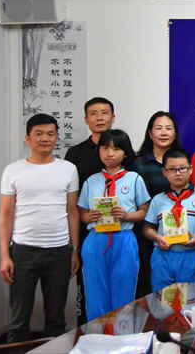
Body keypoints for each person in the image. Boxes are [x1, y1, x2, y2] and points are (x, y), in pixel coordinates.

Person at [0, 113, 80, 342]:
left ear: (56, 137)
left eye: (50, 134)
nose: (45, 138)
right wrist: (5, 255)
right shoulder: (13, 170)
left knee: (56, 318)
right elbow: (6, 214)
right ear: (28, 138)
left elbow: (72, 211)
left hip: (59, 251)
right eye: (39, 134)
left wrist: (74, 250)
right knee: (18, 319)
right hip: (23, 250)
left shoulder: (68, 169)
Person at [77, 129, 150, 320]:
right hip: (96, 239)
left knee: (124, 288)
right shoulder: (91, 181)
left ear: (125, 153)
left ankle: (122, 333)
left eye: (116, 149)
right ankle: (97, 332)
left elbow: (144, 211)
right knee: (94, 290)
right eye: (105, 148)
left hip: (124, 238)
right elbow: (82, 213)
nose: (109, 153)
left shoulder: (134, 179)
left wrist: (127, 215)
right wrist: (89, 216)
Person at [64, 96, 114, 323]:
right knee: (89, 287)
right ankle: (87, 334)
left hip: (120, 231)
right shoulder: (75, 154)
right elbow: (70, 199)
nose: (99, 117)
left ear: (113, 117)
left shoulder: (123, 149)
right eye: (94, 113)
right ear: (86, 119)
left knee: (120, 285)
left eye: (104, 112)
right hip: (87, 230)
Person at [132, 111, 184, 297]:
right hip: (146, 231)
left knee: (180, 288)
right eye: (158, 128)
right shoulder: (137, 163)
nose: (163, 132)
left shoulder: (182, 161)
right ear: (150, 133)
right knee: (148, 284)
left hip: (179, 231)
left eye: (168, 128)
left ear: (175, 133)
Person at [143, 149, 195, 291]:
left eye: (182, 168)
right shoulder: (158, 199)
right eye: (172, 169)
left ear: (190, 170)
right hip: (162, 255)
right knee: (162, 298)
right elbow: (147, 228)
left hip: (190, 254)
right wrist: (158, 237)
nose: (178, 173)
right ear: (164, 172)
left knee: (189, 297)